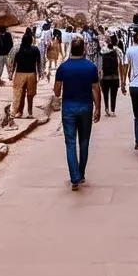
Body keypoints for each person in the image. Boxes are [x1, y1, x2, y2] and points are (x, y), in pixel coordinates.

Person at [54, 37, 101, 189]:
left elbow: (56, 91)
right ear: (84, 50)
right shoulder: (91, 67)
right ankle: (81, 174)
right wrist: (98, 107)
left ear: (70, 49)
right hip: (86, 106)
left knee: (70, 143)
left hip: (68, 108)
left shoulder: (63, 67)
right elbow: (95, 88)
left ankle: (74, 177)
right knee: (84, 141)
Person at [11, 27, 43, 118]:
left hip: (20, 73)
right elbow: (39, 62)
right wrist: (40, 73)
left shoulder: (17, 49)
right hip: (31, 74)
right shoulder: (35, 49)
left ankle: (19, 111)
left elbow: (13, 61)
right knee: (30, 94)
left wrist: (11, 72)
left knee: (20, 93)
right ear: (31, 40)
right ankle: (30, 112)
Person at [100, 36, 122, 116]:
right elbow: (121, 63)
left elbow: (100, 63)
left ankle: (106, 109)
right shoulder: (118, 50)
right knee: (114, 94)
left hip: (105, 76)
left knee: (105, 94)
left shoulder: (103, 50)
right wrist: (122, 79)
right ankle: (113, 111)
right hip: (115, 76)